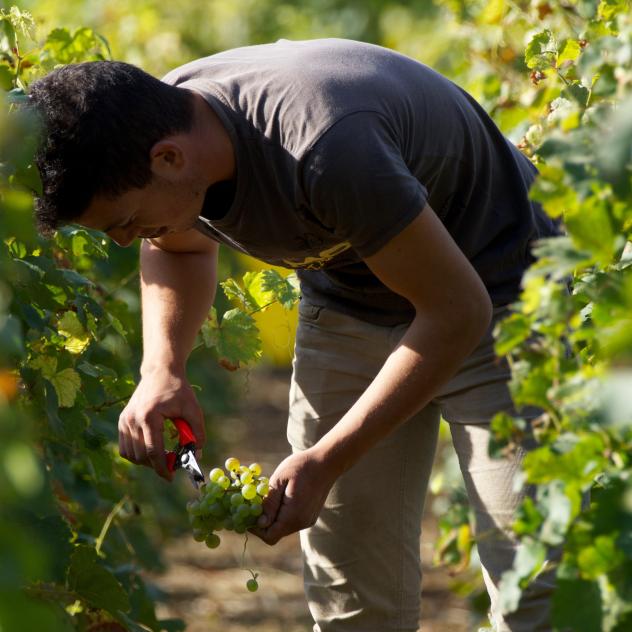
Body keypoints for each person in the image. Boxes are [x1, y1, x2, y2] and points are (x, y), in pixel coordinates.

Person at [28, 38, 562, 631]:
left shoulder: (325, 144)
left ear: (170, 159)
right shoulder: (162, 134)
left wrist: (328, 459)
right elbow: (177, 247)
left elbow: (459, 311)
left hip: (505, 294)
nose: (128, 241)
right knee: (350, 599)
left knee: (534, 586)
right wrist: (163, 368)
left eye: (126, 221)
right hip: (350, 301)